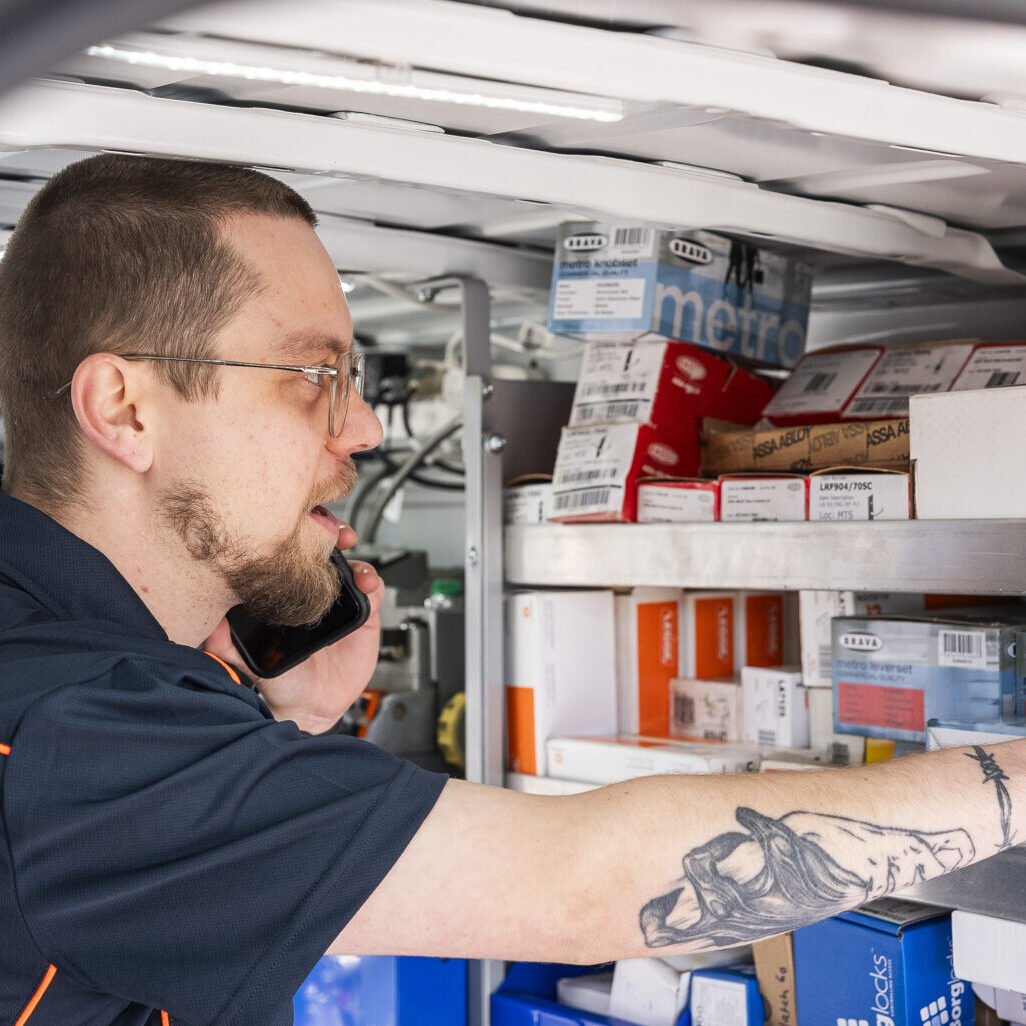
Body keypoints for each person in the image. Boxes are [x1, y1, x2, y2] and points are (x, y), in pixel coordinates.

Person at [0, 153, 1022, 1026]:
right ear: (124, 407)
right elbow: (583, 885)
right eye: (312, 374)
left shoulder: (72, 677)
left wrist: (276, 726)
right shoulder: (75, 735)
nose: (361, 430)